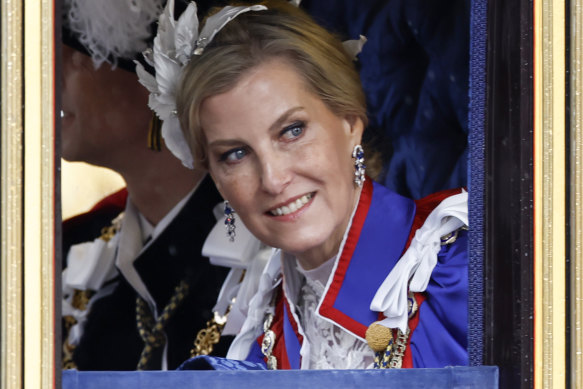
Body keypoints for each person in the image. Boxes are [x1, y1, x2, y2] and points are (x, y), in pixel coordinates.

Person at [138, 0, 469, 369]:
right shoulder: (266, 328)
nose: (273, 179)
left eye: (292, 131)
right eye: (235, 154)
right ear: (215, 178)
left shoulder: (458, 275)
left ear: (349, 122)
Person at [60, 0, 236, 370]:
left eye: (77, 56)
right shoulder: (68, 247)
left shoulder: (271, 261)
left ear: (157, 86)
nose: (53, 75)